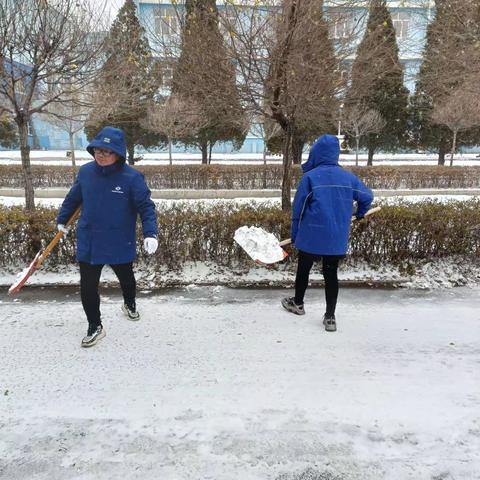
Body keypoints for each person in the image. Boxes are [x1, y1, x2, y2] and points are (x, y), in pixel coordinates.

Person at [57, 126, 158, 347]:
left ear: (118, 154)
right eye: (97, 150)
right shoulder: (85, 172)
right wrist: (62, 219)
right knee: (87, 286)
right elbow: (73, 198)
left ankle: (129, 303)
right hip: (90, 240)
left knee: (127, 279)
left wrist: (151, 233)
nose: (100, 155)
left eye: (106, 151)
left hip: (119, 240)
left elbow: (146, 207)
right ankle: (95, 325)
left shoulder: (132, 178)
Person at [282, 134, 373, 332]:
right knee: (331, 274)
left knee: (304, 269)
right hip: (336, 237)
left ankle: (298, 304)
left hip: (311, 235)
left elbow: (299, 209)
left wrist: (296, 235)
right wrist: (360, 213)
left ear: (316, 154)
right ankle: (330, 317)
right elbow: (367, 196)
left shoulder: (310, 178)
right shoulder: (348, 178)